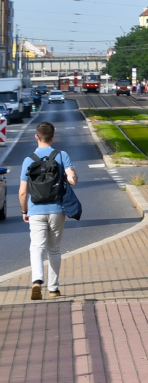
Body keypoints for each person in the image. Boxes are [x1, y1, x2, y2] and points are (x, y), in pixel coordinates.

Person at [19, 121, 78, 301]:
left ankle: (37, 280)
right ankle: (53, 289)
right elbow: (72, 178)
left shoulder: (28, 160)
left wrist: (24, 211)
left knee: (36, 247)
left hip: (35, 210)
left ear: (36, 137)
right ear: (53, 138)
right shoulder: (61, 155)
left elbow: (22, 192)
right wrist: (72, 177)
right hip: (56, 209)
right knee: (54, 249)